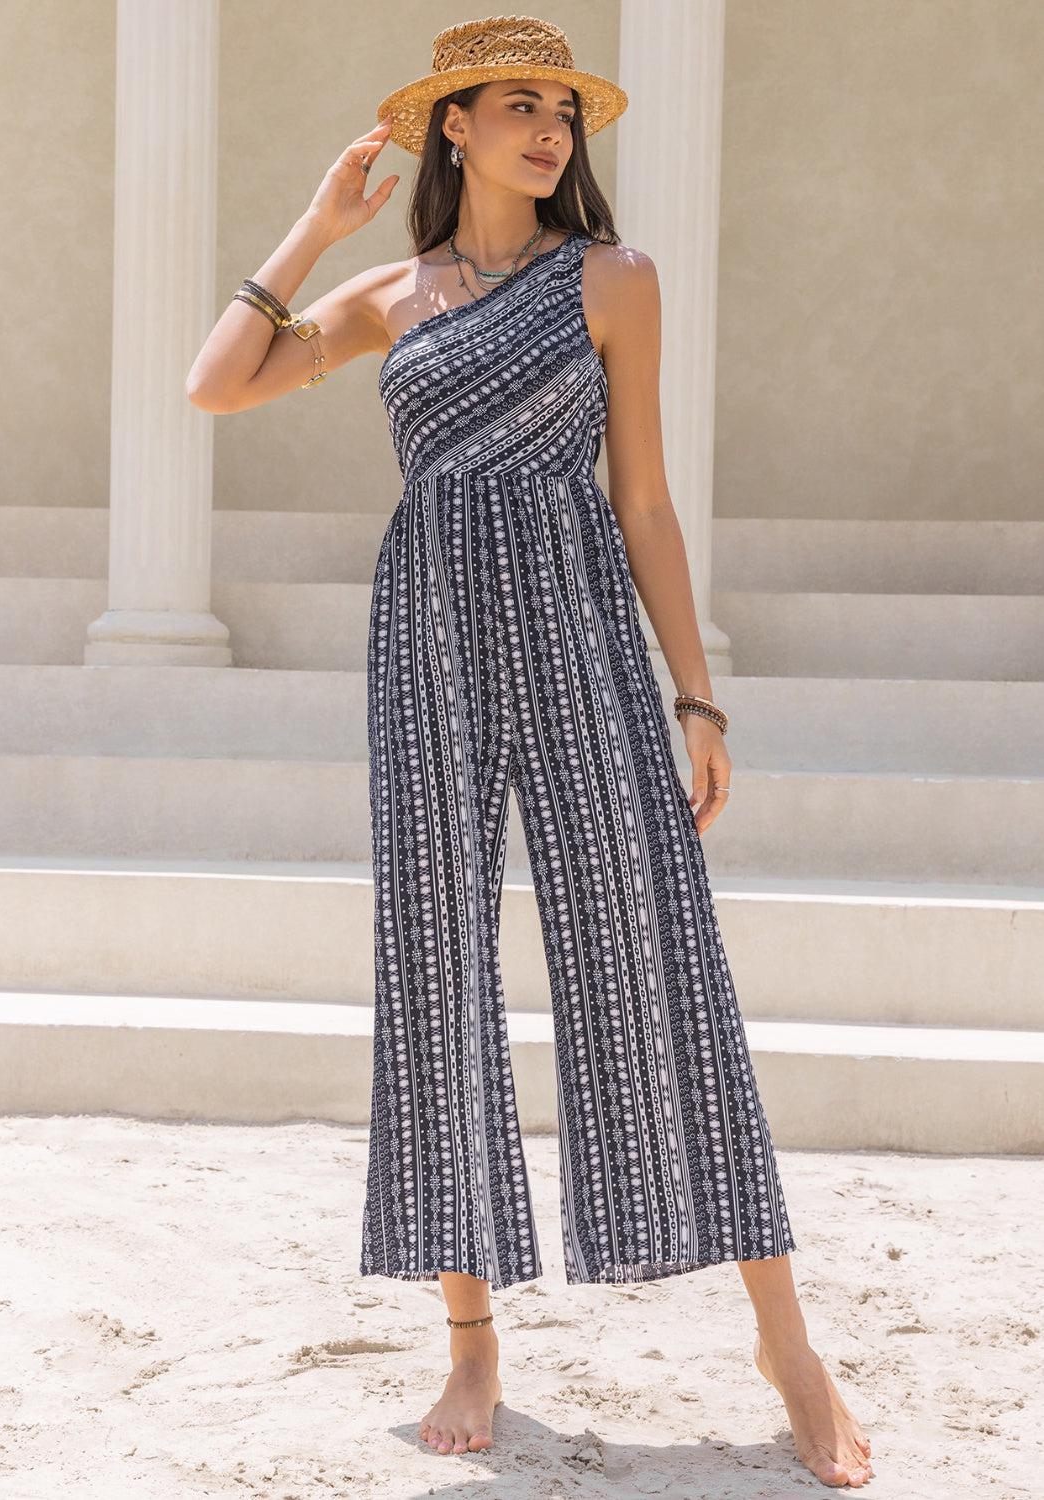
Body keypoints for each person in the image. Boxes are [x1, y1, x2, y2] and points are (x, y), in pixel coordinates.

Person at [186, 13, 874, 1491]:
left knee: (657, 954)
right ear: (452, 127)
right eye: (515, 105)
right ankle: (473, 1336)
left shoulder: (610, 280)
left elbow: (644, 502)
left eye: (562, 109)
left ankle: (784, 1342)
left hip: (577, 640)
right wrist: (317, 223)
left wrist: (698, 698)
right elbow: (217, 383)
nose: (548, 130)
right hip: (425, 642)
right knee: (431, 968)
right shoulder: (389, 295)